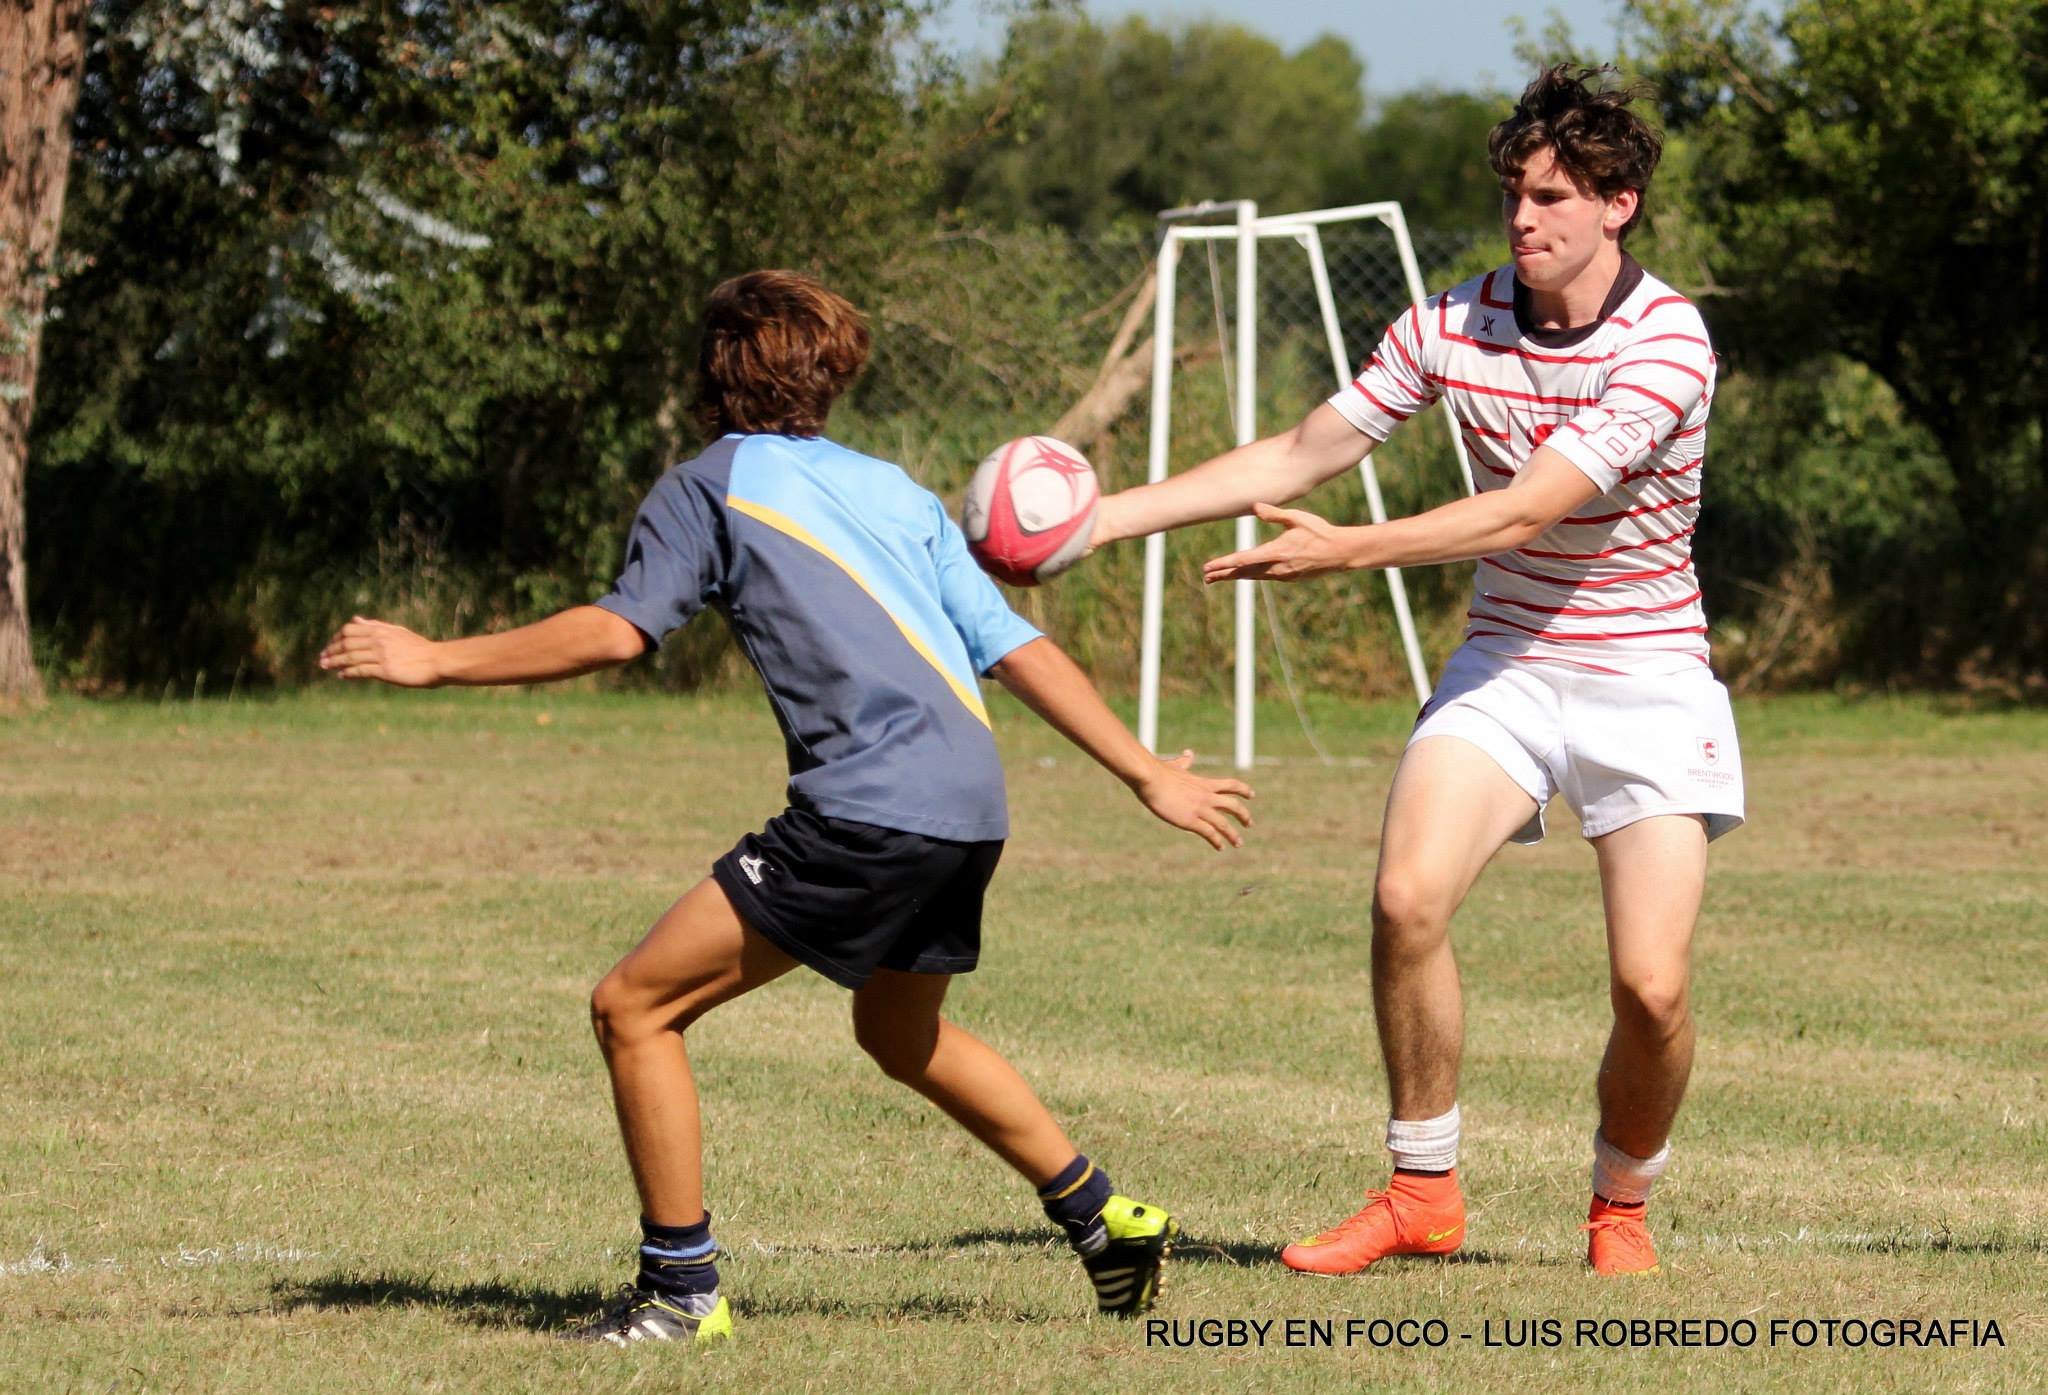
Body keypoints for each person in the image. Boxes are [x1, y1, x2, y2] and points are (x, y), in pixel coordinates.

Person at [319, 269, 1253, 1344]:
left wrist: (437, 657)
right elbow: (1012, 644)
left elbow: (620, 630)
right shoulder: (895, 490)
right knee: (899, 1033)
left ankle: (680, 1291)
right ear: (826, 376)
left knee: (633, 1008)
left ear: (712, 372)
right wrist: (1145, 771)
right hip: (967, 806)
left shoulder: (705, 487)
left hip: (868, 810)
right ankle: (1105, 1220)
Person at [1088, 65, 1742, 1277]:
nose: (1522, 219)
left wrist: (1346, 550)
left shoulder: (1664, 342)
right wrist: (1100, 520)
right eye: (1512, 196)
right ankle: (1421, 1190)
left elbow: (1527, 510)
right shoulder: (1450, 321)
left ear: (1618, 205)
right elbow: (1300, 451)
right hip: (1505, 664)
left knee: (1650, 989)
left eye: (1550, 197)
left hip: (1647, 673)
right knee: (1404, 900)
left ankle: (1619, 1204)